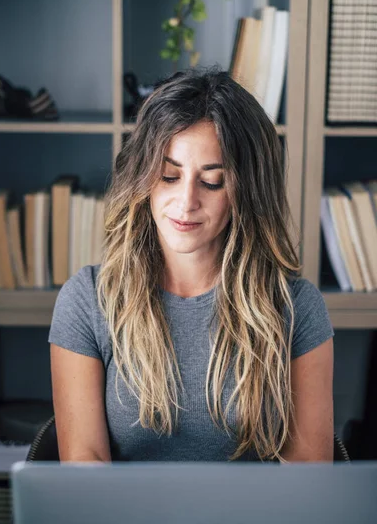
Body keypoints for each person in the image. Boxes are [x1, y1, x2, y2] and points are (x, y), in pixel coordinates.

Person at [48, 67, 334, 464]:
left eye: (212, 182)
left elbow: (309, 482)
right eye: (169, 175)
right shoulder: (88, 301)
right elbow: (84, 469)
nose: (186, 202)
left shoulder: (296, 308)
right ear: (143, 178)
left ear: (244, 193)